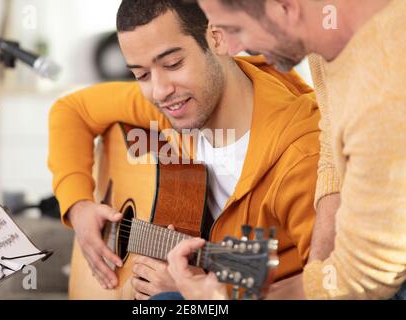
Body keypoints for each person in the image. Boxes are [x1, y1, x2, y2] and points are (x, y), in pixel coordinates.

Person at [48, 0, 323, 300]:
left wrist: (206, 295)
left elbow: (336, 284)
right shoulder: (172, 107)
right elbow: (70, 109)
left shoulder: (302, 155)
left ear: (218, 38)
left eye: (173, 64)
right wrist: (78, 207)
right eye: (141, 75)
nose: (159, 91)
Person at [168, 0, 406, 300]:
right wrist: (317, 265)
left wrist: (217, 302)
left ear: (284, 7)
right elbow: (333, 144)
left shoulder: (383, 93)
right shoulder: (327, 35)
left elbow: (364, 278)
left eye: (236, 30)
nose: (232, 49)